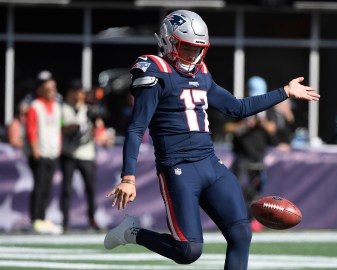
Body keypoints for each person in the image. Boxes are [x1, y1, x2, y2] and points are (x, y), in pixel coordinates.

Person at [103, 10, 319, 270]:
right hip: (178, 168)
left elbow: (236, 108)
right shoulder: (154, 70)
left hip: (210, 164)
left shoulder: (201, 73)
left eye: (197, 50)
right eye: (186, 49)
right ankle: (132, 232)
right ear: (168, 42)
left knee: (241, 234)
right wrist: (128, 177)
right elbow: (137, 128)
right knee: (188, 251)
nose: (192, 56)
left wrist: (285, 92)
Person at [224, 76, 277, 232]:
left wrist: (262, 123)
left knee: (256, 191)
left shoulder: (268, 108)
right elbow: (227, 127)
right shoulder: (241, 105)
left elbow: (273, 129)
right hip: (242, 156)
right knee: (238, 189)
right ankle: (236, 220)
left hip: (258, 156)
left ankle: (253, 219)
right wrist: (245, 123)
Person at [25, 75, 63, 235]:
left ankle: (42, 217)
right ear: (40, 90)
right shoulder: (35, 106)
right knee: (39, 187)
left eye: (53, 89)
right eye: (48, 89)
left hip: (52, 151)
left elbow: (58, 127)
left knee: (47, 187)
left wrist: (59, 146)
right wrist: (35, 149)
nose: (52, 92)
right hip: (39, 152)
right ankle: (36, 219)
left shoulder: (56, 106)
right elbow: (31, 129)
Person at [60, 80, 100, 232]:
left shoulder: (89, 109)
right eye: (76, 91)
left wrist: (96, 121)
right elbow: (62, 129)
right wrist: (75, 127)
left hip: (86, 153)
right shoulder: (63, 108)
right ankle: (65, 222)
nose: (79, 94)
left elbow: (98, 127)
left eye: (81, 91)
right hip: (69, 153)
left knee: (90, 188)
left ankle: (92, 220)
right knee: (67, 189)